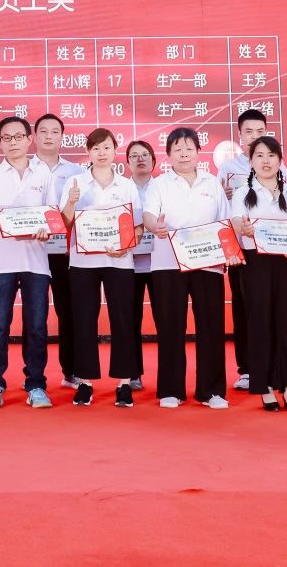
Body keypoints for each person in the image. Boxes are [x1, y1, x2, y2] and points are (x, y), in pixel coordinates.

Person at [142, 127, 235, 410]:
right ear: (168, 154)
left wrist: (229, 253)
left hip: (208, 263)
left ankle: (211, 391)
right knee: (170, 325)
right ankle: (171, 390)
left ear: (198, 152)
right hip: (168, 263)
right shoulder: (159, 184)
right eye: (178, 149)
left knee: (211, 326)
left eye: (189, 148)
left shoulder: (212, 183)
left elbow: (224, 221)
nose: (184, 154)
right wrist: (154, 226)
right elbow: (148, 214)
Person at [0, 116, 56, 410]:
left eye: (18, 136)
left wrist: (47, 228)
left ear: (29, 139)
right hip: (0, 262)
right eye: (6, 138)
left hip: (36, 262)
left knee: (36, 326)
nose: (13, 142)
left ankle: (36, 384)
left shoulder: (43, 173)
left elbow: (52, 213)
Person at [60, 128, 142, 408]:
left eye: (107, 147)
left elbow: (137, 225)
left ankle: (124, 383)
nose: (102, 153)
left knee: (123, 319)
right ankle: (85, 382)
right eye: (96, 148)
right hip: (82, 262)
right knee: (84, 319)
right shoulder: (75, 182)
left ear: (115, 149)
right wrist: (71, 201)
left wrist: (127, 245)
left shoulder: (126, 185)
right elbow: (64, 223)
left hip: (119, 260)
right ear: (88, 152)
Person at [229, 137, 287, 412]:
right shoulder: (243, 193)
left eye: (271, 155)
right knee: (259, 324)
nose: (266, 161)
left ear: (280, 160)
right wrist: (244, 229)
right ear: (251, 161)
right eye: (259, 155)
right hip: (255, 264)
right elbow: (236, 222)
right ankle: (264, 387)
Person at [216, 109, 287, 393]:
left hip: (274, 249)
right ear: (240, 135)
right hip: (241, 249)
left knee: (274, 308)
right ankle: (247, 369)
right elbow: (219, 209)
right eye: (249, 132)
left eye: (260, 131)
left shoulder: (280, 166)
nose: (254, 136)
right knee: (244, 308)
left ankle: (275, 367)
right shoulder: (228, 168)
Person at [30, 113, 86, 389]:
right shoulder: (25, 168)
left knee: (68, 311)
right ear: (34, 136)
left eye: (55, 131)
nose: (49, 136)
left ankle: (71, 370)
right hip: (31, 250)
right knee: (34, 315)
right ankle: (33, 375)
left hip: (65, 252)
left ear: (63, 137)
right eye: (43, 131)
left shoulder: (77, 173)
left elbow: (82, 213)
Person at [125, 140, 160, 390]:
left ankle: (167, 376)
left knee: (165, 320)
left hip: (159, 264)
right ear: (127, 162)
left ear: (154, 161)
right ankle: (133, 373)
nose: (140, 159)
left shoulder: (164, 187)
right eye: (134, 155)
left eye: (145, 155)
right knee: (130, 320)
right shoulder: (121, 188)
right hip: (129, 264)